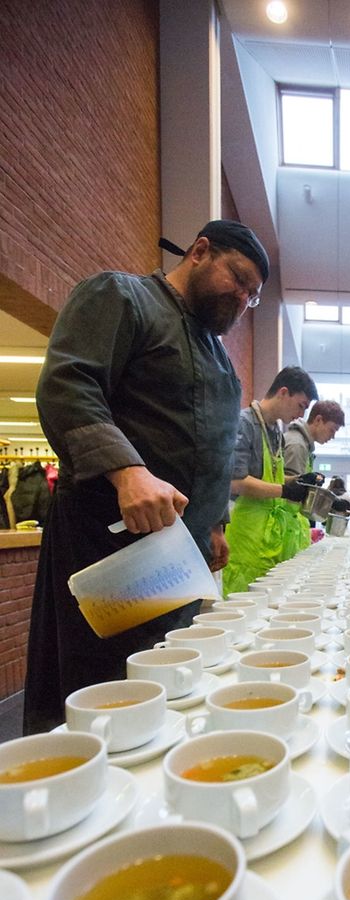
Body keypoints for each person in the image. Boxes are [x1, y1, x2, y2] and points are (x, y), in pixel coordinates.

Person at [24, 219, 271, 734]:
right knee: (103, 688)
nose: (243, 299)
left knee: (165, 673)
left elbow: (215, 446)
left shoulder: (219, 358)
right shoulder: (122, 296)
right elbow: (69, 385)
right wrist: (127, 471)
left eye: (253, 295)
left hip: (176, 556)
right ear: (200, 251)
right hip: (106, 544)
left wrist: (216, 522)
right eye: (239, 279)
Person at [223, 366, 318, 593]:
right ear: (283, 392)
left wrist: (298, 481)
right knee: (244, 606)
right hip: (247, 535)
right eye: (301, 406)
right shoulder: (244, 424)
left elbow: (271, 475)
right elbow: (235, 481)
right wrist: (284, 490)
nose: (301, 415)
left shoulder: (275, 430)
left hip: (270, 536)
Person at [282, 399, 346, 553]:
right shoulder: (297, 445)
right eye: (332, 430)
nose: (333, 436)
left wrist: (330, 502)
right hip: (284, 528)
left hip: (291, 529)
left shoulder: (304, 446)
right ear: (318, 420)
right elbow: (289, 494)